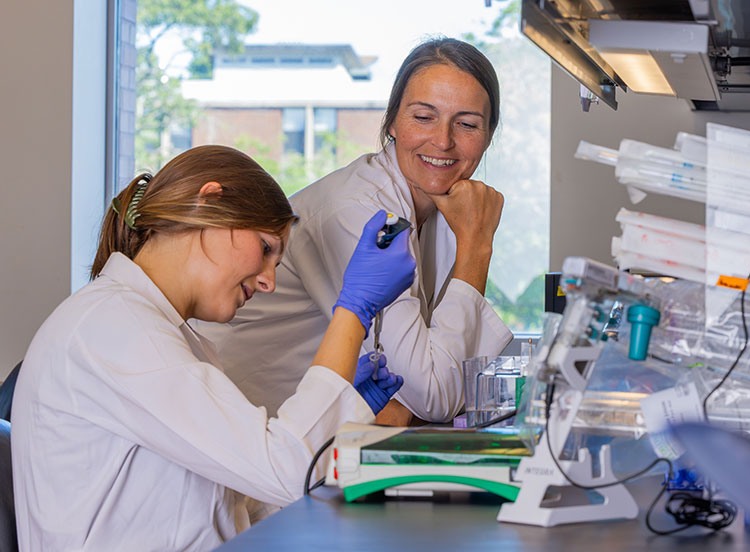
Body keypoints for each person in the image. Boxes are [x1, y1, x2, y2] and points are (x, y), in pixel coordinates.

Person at [11, 145, 415, 550]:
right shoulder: (115, 325)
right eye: (265, 249)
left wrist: (336, 420)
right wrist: (354, 309)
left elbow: (244, 504)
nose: (268, 282)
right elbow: (283, 469)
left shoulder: (162, 333)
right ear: (210, 201)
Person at [200, 38, 513, 424]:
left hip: (314, 438)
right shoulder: (359, 211)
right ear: (393, 122)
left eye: (466, 124)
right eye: (423, 117)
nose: (444, 141)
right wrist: (477, 246)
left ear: (488, 136)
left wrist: (412, 406)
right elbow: (435, 395)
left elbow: (459, 378)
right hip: (249, 440)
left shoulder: (445, 207)